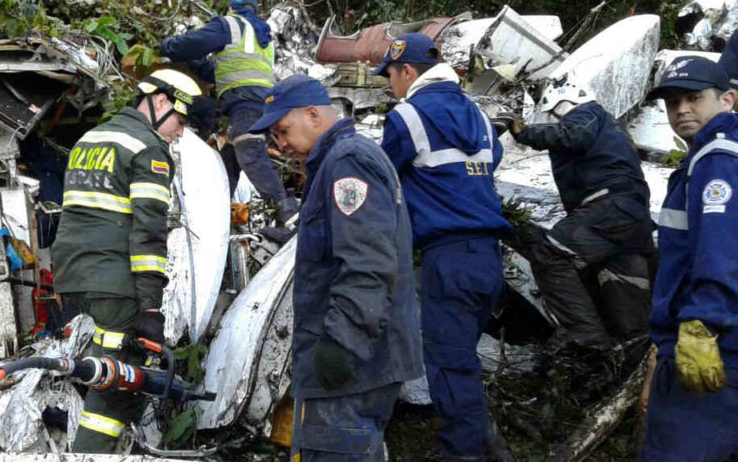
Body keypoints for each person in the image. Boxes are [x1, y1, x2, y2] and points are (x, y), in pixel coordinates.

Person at [248, 74, 423, 461]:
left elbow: (368, 264)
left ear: (313, 115)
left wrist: (342, 345)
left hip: (353, 366)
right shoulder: (336, 160)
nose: (280, 144)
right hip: (359, 360)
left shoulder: (348, 162)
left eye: (283, 130)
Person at [50, 69, 201, 454]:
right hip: (115, 283)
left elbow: (77, 213)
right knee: (117, 385)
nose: (180, 132)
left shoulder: (91, 139)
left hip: (74, 277)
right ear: (161, 102)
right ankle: (89, 455)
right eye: (181, 120)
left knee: (101, 367)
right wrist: (150, 308)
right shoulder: (148, 149)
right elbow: (148, 234)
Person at [376, 33, 512, 461]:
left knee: (450, 365)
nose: (389, 86)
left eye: (390, 76)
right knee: (462, 358)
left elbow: (380, 176)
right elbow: (490, 162)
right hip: (488, 258)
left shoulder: (407, 116)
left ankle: (464, 452)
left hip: (448, 259)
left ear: (407, 71)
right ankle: (484, 442)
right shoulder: (479, 116)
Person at [491, 82, 656, 350]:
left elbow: (572, 134)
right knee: (619, 286)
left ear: (560, 106)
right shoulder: (610, 127)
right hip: (629, 217)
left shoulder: (588, 113)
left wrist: (525, 132)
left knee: (549, 253)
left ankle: (584, 333)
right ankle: (624, 348)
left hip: (609, 208)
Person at [640, 56, 738, 461]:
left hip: (712, 348)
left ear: (727, 100)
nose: (681, 110)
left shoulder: (718, 157)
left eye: (694, 98)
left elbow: (720, 246)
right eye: (672, 102)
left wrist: (702, 322)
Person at [160, 0, 297, 241]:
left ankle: (291, 221)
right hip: (260, 104)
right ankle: (215, 217)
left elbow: (190, 44)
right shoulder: (263, 38)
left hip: (246, 103)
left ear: (232, 9)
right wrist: (195, 63)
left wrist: (168, 45)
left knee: (250, 155)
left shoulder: (230, 25)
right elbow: (222, 71)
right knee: (227, 165)